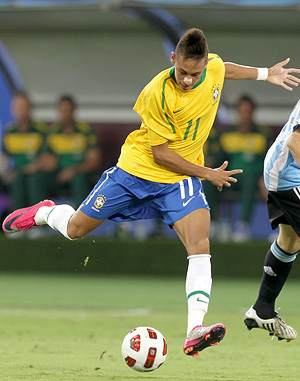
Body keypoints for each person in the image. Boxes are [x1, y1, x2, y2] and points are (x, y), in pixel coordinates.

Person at [2, 29, 300, 357]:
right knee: (75, 229)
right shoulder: (156, 92)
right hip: (136, 172)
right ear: (173, 60)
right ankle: (45, 211)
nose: (188, 80)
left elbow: (224, 67)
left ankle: (194, 330)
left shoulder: (211, 68)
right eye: (183, 72)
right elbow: (161, 154)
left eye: (195, 74)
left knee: (200, 245)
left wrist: (265, 74)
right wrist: (207, 172)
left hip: (178, 181)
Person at [244, 100, 300, 342]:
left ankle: (262, 309)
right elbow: (295, 142)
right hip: (290, 174)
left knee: (290, 241)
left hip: (281, 169)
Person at [205, 95, 272, 242]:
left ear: (253, 112)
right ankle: (213, 223)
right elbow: (217, 160)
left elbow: (271, 161)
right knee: (207, 180)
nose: (245, 115)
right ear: (237, 112)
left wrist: (265, 177)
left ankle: (243, 226)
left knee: (250, 180)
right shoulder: (226, 135)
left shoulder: (263, 134)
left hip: (254, 179)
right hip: (229, 178)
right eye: (242, 111)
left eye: (248, 111)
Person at [1, 93, 55, 211]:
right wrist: (5, 172)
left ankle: (38, 223)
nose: (21, 111)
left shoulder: (41, 130)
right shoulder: (10, 132)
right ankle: (16, 224)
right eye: (18, 107)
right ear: (13, 110)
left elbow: (48, 160)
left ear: (30, 109)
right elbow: (4, 158)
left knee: (32, 180)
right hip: (17, 174)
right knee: (16, 180)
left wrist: (26, 170)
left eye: (24, 107)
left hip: (37, 174)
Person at [47, 95, 102, 208]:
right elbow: (46, 159)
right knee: (37, 179)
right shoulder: (52, 132)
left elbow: (94, 161)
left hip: (81, 173)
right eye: (63, 110)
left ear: (74, 111)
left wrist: (73, 171)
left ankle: (80, 218)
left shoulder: (85, 131)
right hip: (58, 174)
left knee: (79, 179)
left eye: (68, 110)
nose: (65, 113)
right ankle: (37, 221)